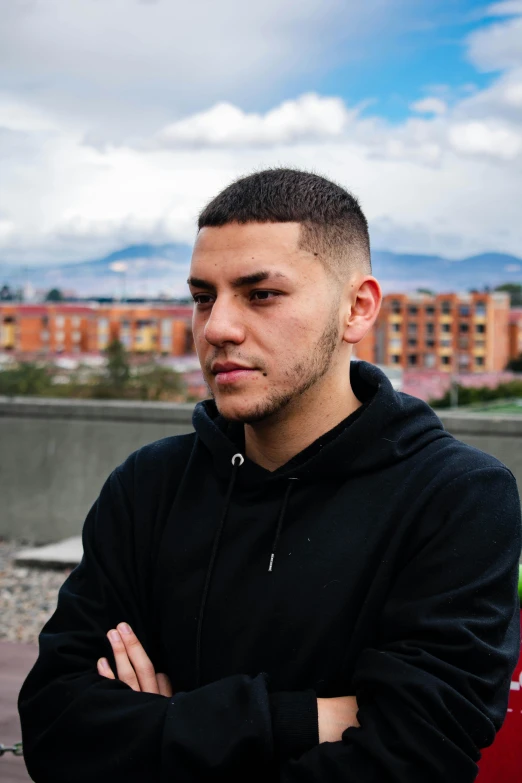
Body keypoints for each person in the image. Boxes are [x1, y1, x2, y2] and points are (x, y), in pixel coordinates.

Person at [18, 169, 521, 783]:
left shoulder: (457, 498)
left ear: (357, 308)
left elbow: (416, 755)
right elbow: (56, 727)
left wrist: (169, 723)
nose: (217, 328)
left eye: (260, 294)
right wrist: (305, 719)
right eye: (204, 297)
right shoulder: (149, 485)